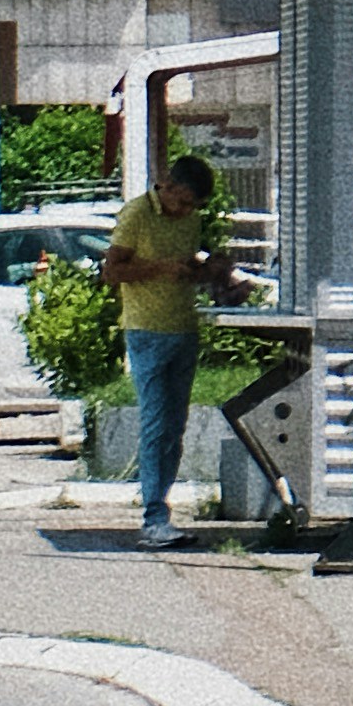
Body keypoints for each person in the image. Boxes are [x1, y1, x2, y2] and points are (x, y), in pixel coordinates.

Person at [102, 151, 235, 546]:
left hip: (183, 329)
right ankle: (152, 518)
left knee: (174, 428)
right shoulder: (137, 214)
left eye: (193, 207)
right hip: (146, 331)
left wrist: (210, 272)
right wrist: (161, 268)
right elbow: (111, 272)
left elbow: (187, 268)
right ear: (169, 186)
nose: (186, 211)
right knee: (156, 424)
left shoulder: (190, 220)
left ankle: (162, 509)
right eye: (183, 202)